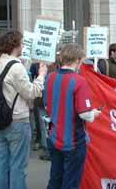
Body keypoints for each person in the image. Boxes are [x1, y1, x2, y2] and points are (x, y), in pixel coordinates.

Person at [0, 30, 47, 189]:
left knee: (2, 165)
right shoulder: (16, 66)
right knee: (18, 166)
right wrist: (41, 75)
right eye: (22, 43)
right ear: (15, 45)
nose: (23, 46)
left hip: (1, 120)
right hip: (17, 120)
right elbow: (31, 92)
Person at [44, 43, 102, 189]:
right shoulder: (79, 81)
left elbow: (46, 104)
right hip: (73, 140)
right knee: (71, 182)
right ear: (77, 60)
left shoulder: (50, 77)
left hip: (53, 135)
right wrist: (94, 113)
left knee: (55, 178)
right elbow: (85, 114)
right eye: (81, 61)